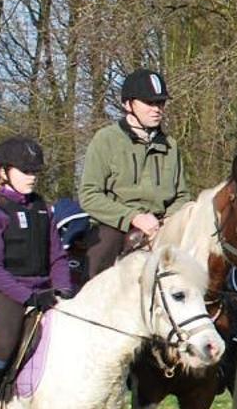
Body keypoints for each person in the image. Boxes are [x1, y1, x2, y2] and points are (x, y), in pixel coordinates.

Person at [0, 136, 74, 409]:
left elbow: (57, 256)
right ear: (4, 171)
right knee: (6, 337)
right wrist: (27, 297)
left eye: (35, 172)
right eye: (25, 171)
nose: (32, 177)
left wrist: (63, 288)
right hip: (2, 289)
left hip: (41, 288)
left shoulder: (42, 208)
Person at [79, 68, 189, 277]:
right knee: (101, 253)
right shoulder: (106, 140)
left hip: (162, 226)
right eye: (149, 103)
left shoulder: (171, 146)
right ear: (127, 104)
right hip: (115, 225)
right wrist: (133, 217)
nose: (157, 109)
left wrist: (168, 221)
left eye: (161, 103)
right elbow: (89, 195)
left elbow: (181, 195)